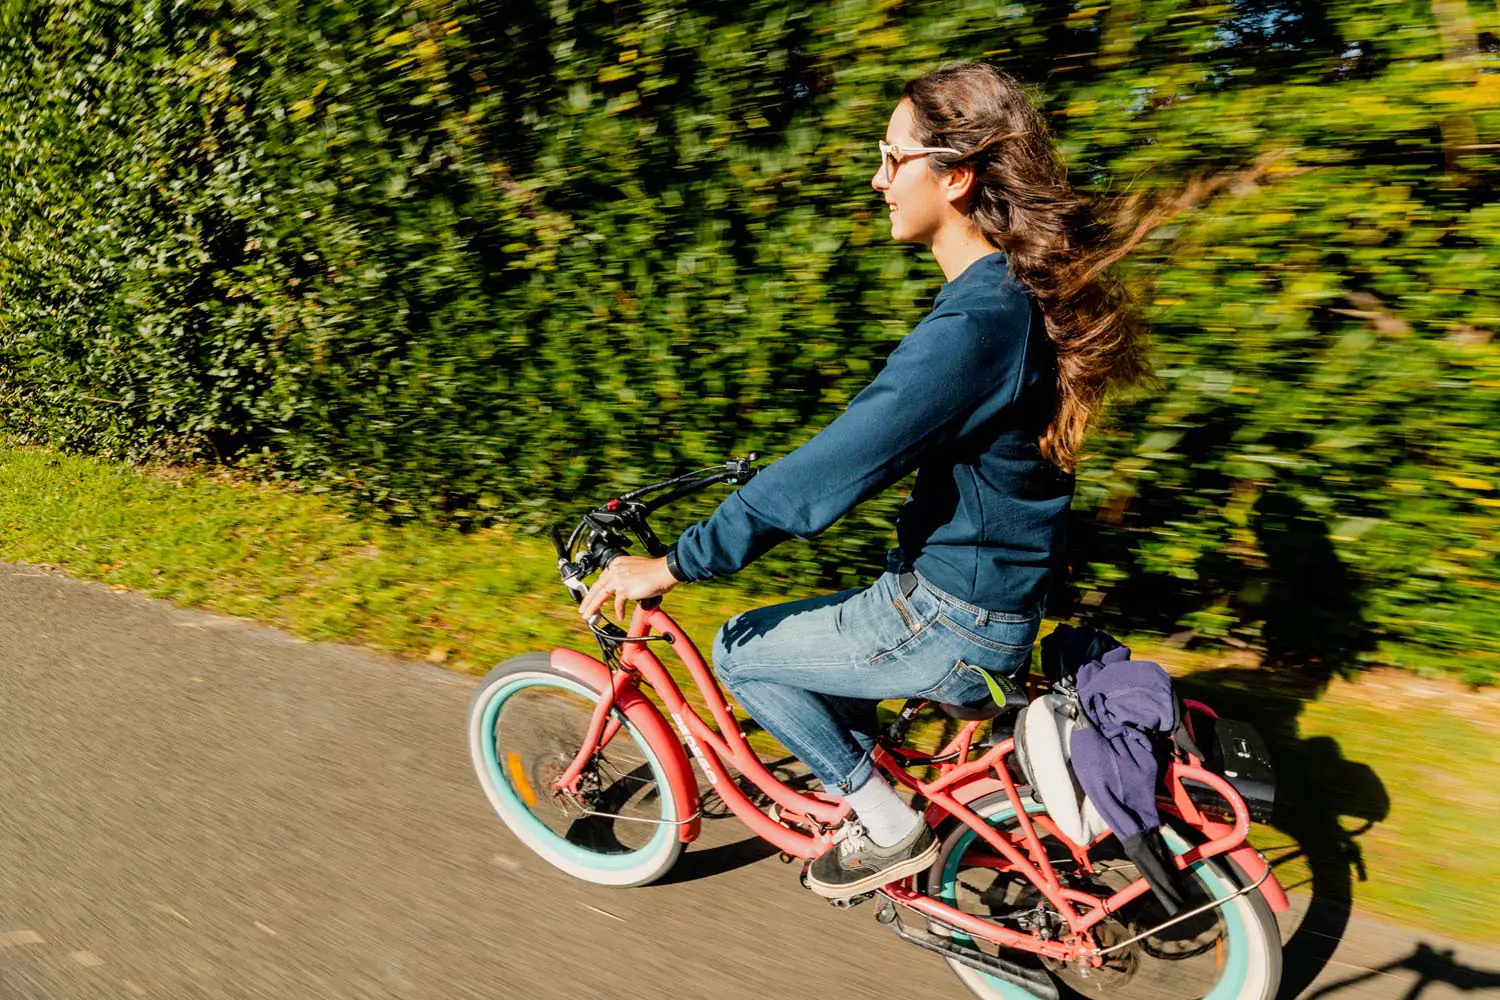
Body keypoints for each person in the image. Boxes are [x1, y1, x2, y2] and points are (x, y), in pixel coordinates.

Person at [578, 62, 1149, 899]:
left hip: (958, 615)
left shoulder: (977, 325)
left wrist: (675, 563)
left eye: (893, 158)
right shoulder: (1007, 299)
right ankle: (880, 793)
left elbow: (835, 468)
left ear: (953, 177)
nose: (878, 179)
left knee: (743, 652)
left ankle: (887, 827)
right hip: (987, 596)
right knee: (830, 637)